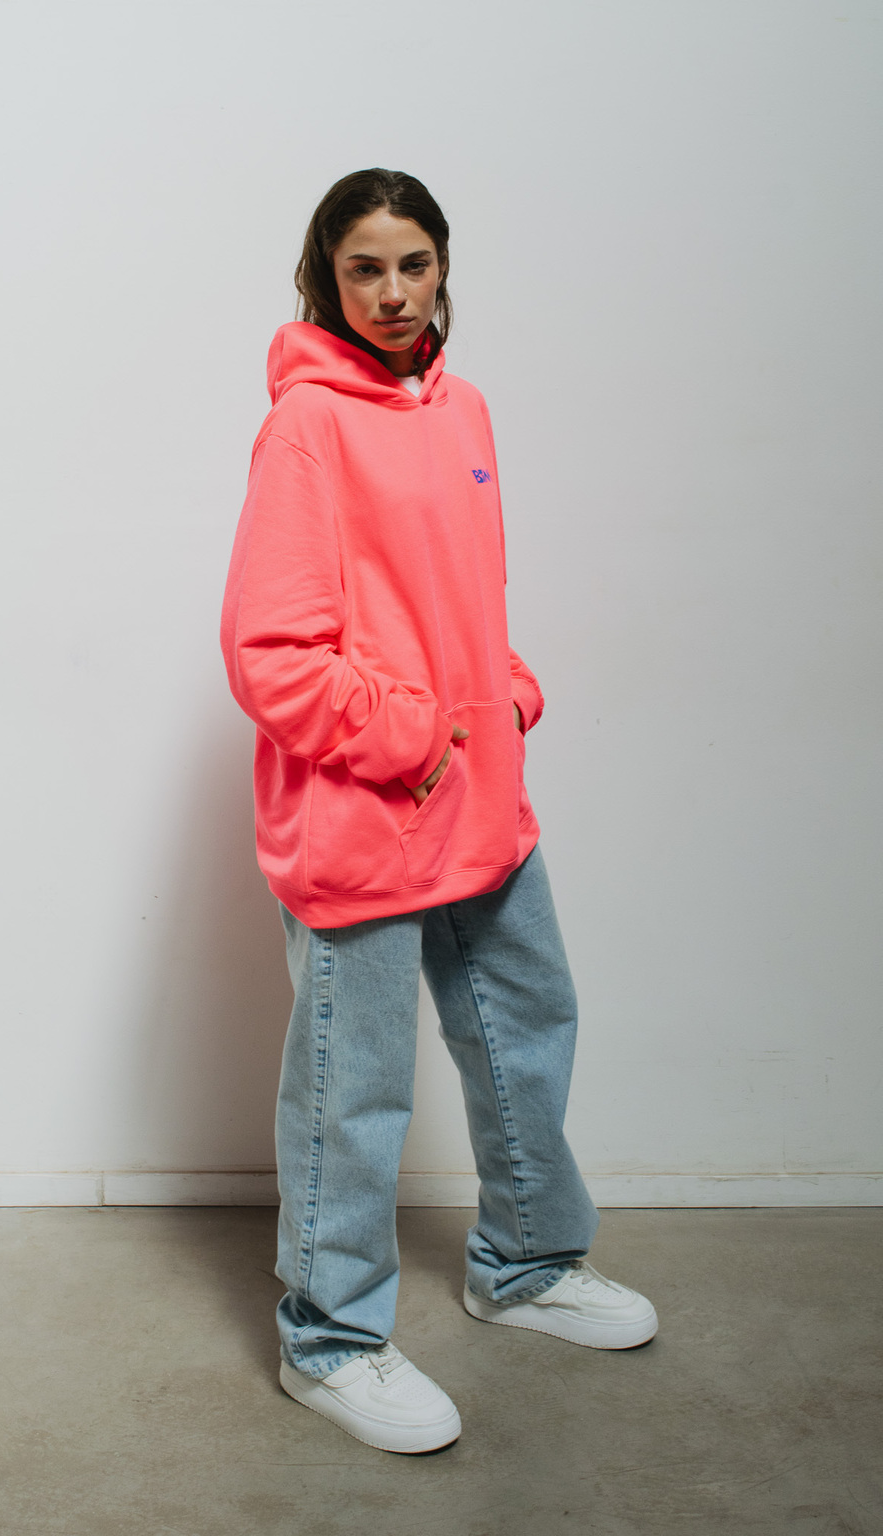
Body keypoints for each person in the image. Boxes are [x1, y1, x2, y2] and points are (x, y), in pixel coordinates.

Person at [220, 168, 656, 1455]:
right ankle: (329, 1340)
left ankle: (525, 1263)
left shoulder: (461, 405)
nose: (394, 292)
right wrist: (413, 733)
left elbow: (457, 595)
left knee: (527, 1027)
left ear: (443, 267)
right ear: (326, 277)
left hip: (480, 798)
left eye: (413, 263)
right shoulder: (307, 425)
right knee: (350, 1092)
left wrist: (501, 691)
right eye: (365, 267)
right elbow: (270, 652)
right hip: (367, 811)